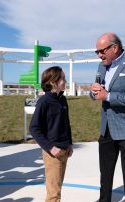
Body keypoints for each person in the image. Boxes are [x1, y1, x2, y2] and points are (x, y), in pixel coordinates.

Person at [90, 33, 125, 202]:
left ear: (114, 47)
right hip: (106, 127)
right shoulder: (101, 66)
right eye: (97, 52)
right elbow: (97, 93)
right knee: (105, 173)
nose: (99, 55)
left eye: (101, 51)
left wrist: (107, 96)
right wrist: (93, 92)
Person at [29, 66, 73, 202]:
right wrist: (50, 147)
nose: (65, 81)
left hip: (64, 149)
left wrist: (69, 143)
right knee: (53, 194)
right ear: (53, 82)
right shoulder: (44, 101)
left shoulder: (62, 99)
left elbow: (66, 123)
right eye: (63, 79)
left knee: (57, 189)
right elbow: (34, 128)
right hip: (52, 153)